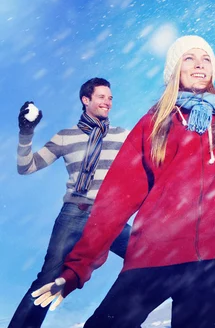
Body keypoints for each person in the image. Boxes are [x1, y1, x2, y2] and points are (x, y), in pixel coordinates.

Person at [30, 0, 215, 328]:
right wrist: (76, 270)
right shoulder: (153, 125)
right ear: (174, 71)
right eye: (188, 58)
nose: (199, 63)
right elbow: (113, 203)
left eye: (206, 59)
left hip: (212, 258)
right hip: (155, 254)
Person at [9, 78, 131, 328]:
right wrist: (26, 132)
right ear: (86, 100)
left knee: (146, 259)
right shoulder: (66, 137)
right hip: (75, 214)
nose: (107, 102)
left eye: (110, 98)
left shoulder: (122, 136)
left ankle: (121, 320)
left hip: (109, 216)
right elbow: (26, 167)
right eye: (101, 97)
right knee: (49, 278)